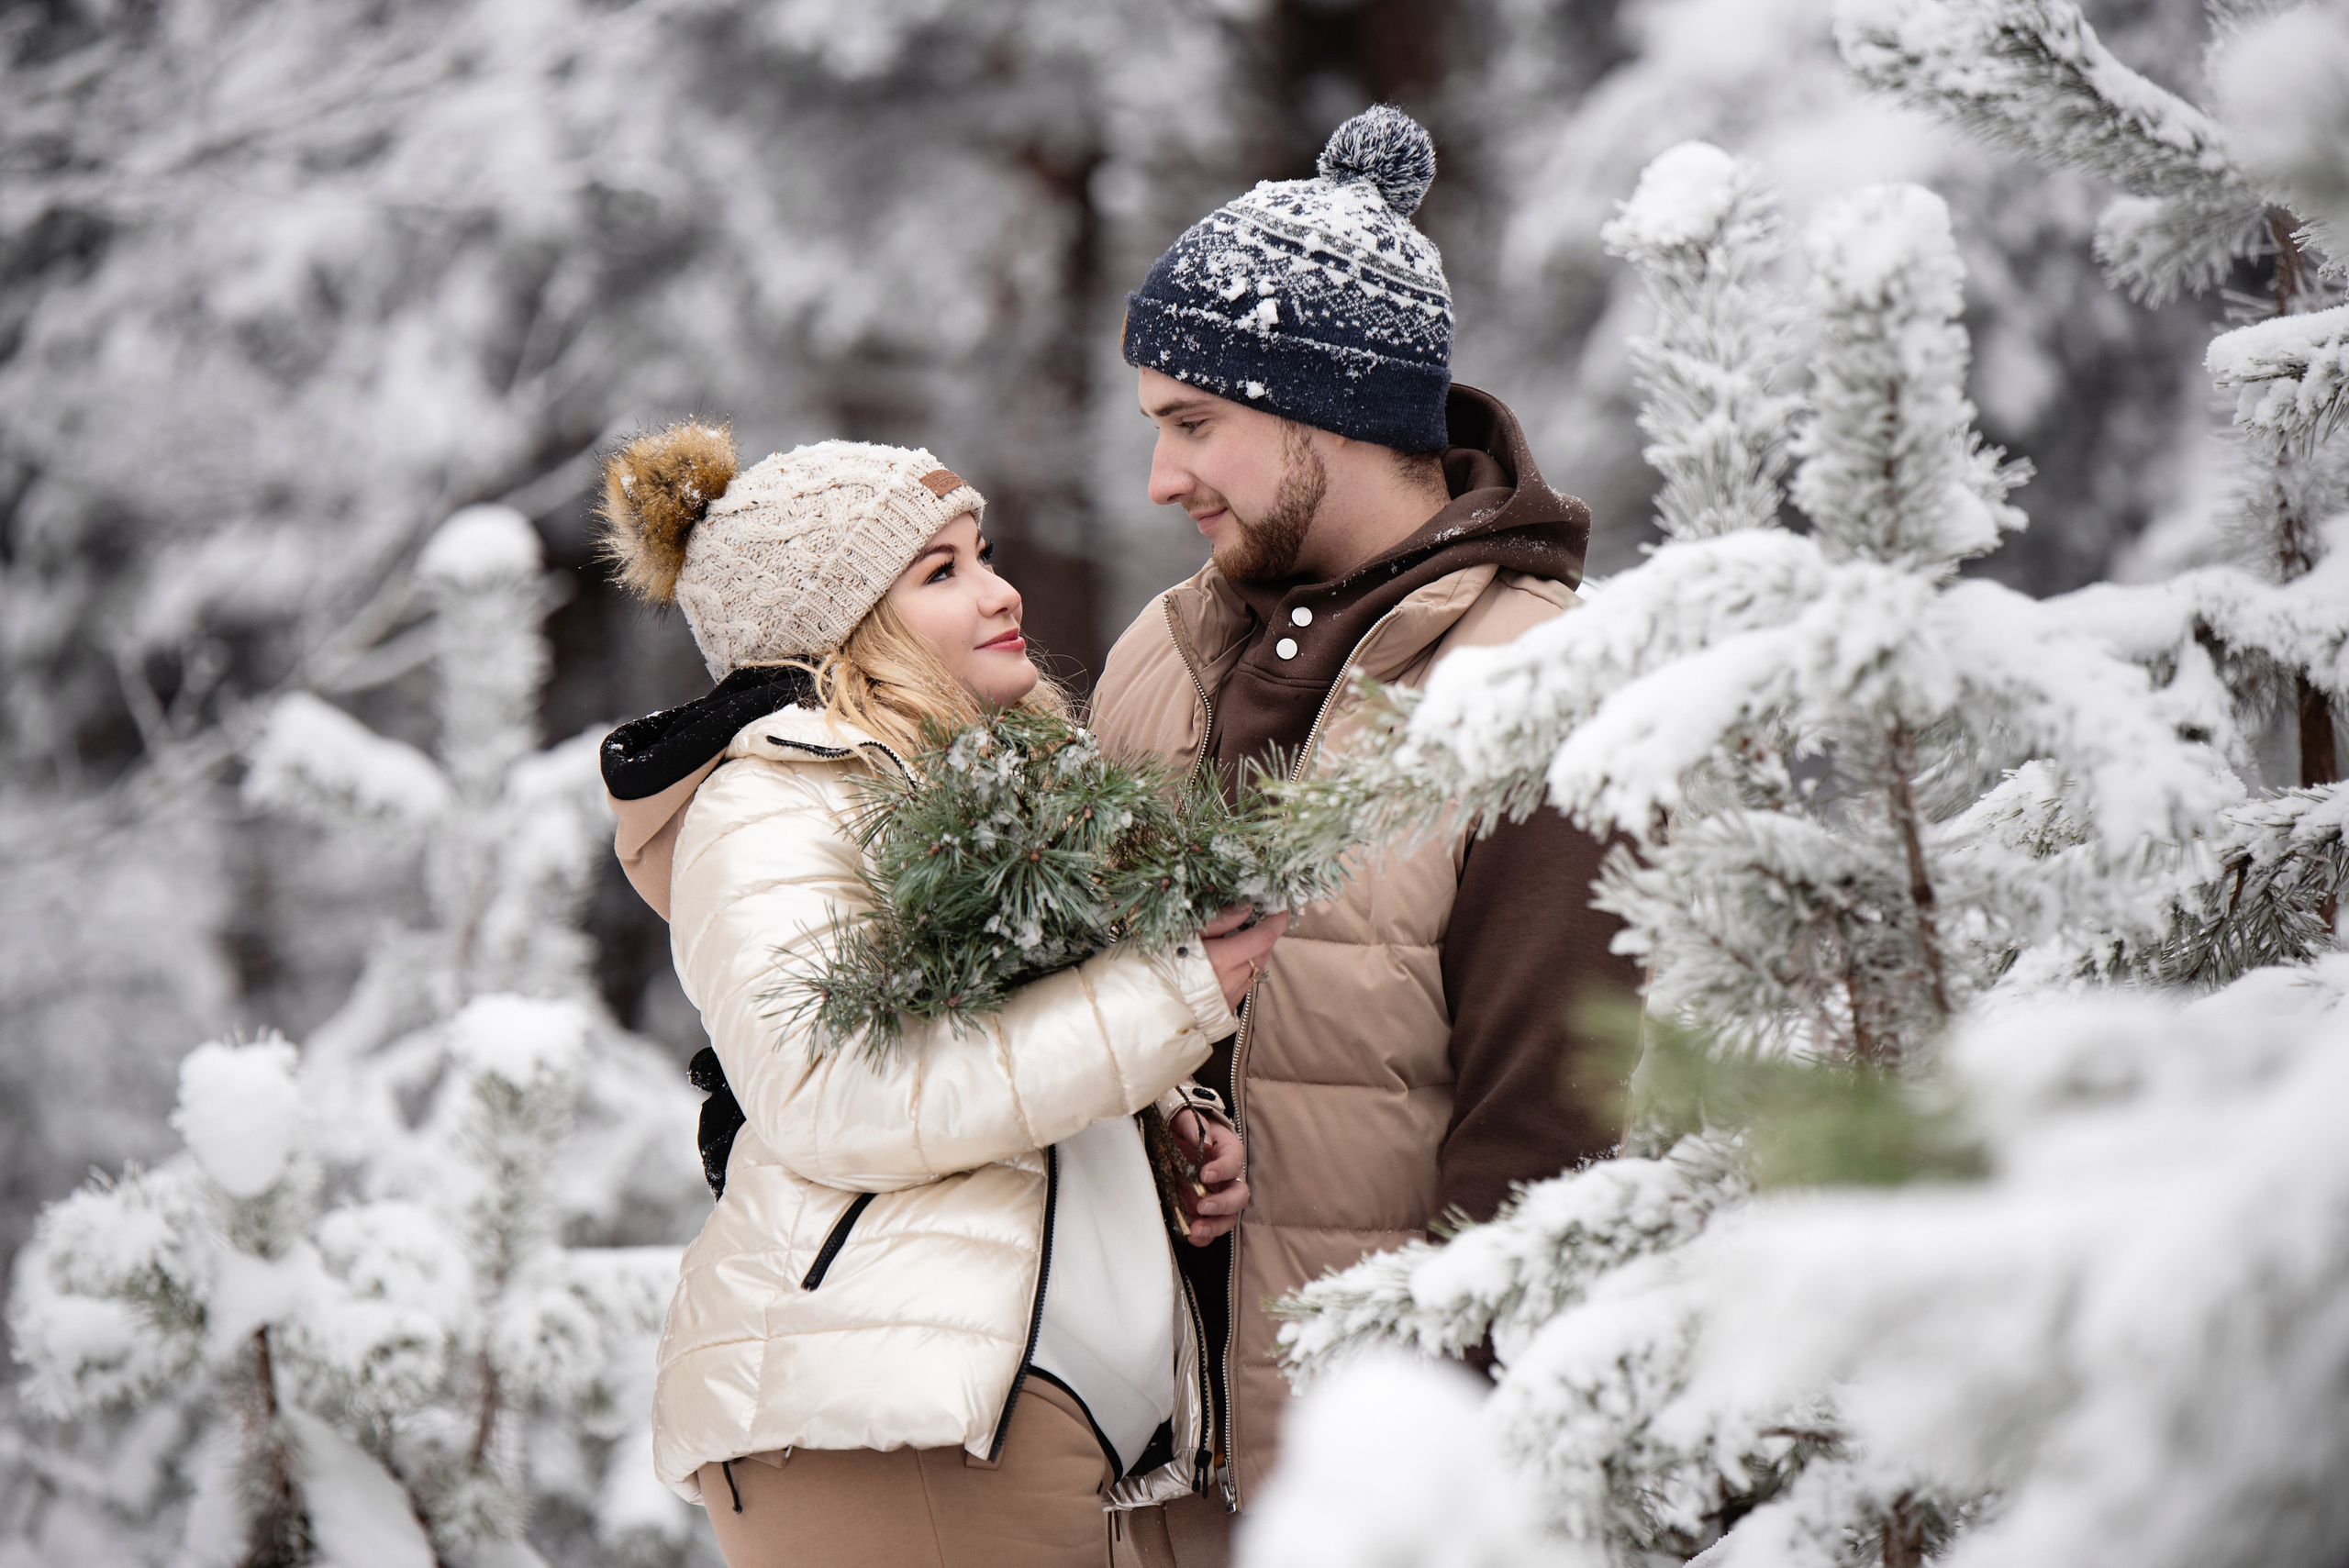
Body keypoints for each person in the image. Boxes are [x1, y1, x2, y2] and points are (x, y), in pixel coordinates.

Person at [1088, 106, 1643, 1563]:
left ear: (1324, 410)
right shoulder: (1161, 651)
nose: (1163, 479)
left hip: (1385, 1491)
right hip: (1146, 1474)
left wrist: (1429, 1483)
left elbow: (1553, 1138)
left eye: (1192, 423)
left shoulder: (1535, 689)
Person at [594, 427, 1286, 1568]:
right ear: (842, 620)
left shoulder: (972, 786)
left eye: (985, 552)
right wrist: (1170, 998)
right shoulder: (773, 804)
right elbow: (831, 1094)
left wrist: (1155, 1139)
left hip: (996, 1407)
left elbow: (981, 1073)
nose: (1001, 589)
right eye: (941, 570)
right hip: (887, 1412)